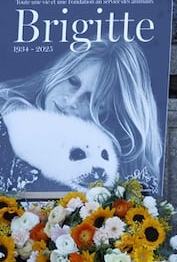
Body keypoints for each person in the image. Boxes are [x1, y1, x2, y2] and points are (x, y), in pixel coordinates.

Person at [0, 40, 164, 193]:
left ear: (107, 113)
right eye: (72, 82)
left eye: (92, 100)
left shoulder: (105, 161)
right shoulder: (5, 113)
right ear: (60, 70)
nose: (72, 101)